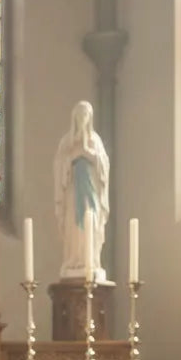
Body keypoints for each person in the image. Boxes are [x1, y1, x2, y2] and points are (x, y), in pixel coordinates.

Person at [53, 101, 109, 280]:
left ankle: (90, 260)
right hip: (73, 194)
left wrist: (88, 154)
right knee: (73, 225)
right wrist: (71, 159)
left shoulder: (95, 140)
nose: (82, 119)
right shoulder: (67, 142)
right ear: (74, 118)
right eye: (80, 115)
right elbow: (59, 166)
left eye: (86, 115)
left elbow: (103, 167)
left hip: (90, 192)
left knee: (91, 221)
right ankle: (74, 260)